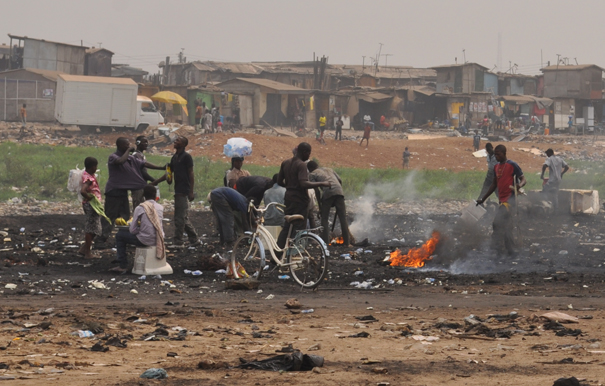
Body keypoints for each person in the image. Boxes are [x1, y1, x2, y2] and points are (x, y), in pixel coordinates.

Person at [99, 137, 165, 245]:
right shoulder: (113, 157)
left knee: (125, 216)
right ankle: (101, 239)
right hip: (113, 191)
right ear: (120, 146)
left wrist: (161, 168)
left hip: (122, 192)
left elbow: (144, 164)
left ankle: (123, 238)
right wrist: (128, 151)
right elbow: (120, 161)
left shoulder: (130, 158)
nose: (129, 146)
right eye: (126, 144)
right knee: (110, 216)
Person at [276, 142, 329, 248]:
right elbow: (303, 183)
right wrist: (322, 183)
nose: (309, 156)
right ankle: (294, 255)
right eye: (309, 153)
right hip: (299, 201)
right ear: (304, 152)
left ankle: (278, 255)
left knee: (287, 228)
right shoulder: (301, 165)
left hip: (288, 199)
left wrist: (290, 186)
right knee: (299, 228)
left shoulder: (285, 162)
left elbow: (279, 181)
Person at [476, 145, 526, 256]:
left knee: (497, 223)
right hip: (501, 200)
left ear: (504, 153)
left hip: (510, 200)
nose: (497, 157)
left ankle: (496, 247)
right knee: (507, 225)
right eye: (495, 155)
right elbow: (494, 184)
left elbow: (523, 179)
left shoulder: (512, 165)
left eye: (498, 154)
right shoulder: (496, 167)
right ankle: (510, 250)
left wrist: (519, 185)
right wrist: (483, 199)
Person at [152, 136, 198, 247]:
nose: (175, 142)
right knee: (182, 217)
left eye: (178, 140)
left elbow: (191, 174)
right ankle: (194, 240)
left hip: (184, 190)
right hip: (177, 189)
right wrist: (155, 182)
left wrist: (191, 191)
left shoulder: (186, 157)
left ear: (183, 144)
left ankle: (178, 242)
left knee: (179, 218)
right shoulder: (174, 158)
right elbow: (168, 173)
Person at [110, 185, 164, 274]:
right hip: (159, 238)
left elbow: (132, 230)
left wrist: (139, 230)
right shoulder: (160, 208)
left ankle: (122, 265)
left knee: (120, 235)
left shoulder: (140, 208)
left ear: (143, 195)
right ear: (155, 195)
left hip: (144, 240)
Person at [307, 161, 351, 246]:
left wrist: (320, 208)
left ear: (310, 169)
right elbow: (339, 180)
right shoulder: (329, 169)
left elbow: (317, 191)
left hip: (328, 193)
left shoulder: (312, 174)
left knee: (324, 219)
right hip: (339, 192)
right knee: (343, 219)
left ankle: (326, 243)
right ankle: (347, 243)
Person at [79, 157, 102, 259]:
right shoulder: (89, 178)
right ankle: (87, 253)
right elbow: (83, 191)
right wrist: (90, 199)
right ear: (93, 167)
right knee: (91, 229)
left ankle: (84, 249)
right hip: (91, 205)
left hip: (91, 205)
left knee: (95, 228)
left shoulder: (86, 174)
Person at [131, 136, 157, 210]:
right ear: (138, 143)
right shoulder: (136, 155)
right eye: (144, 142)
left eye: (147, 142)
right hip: (137, 185)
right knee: (139, 207)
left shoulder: (141, 154)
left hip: (141, 184)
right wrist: (152, 179)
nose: (146, 144)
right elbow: (141, 171)